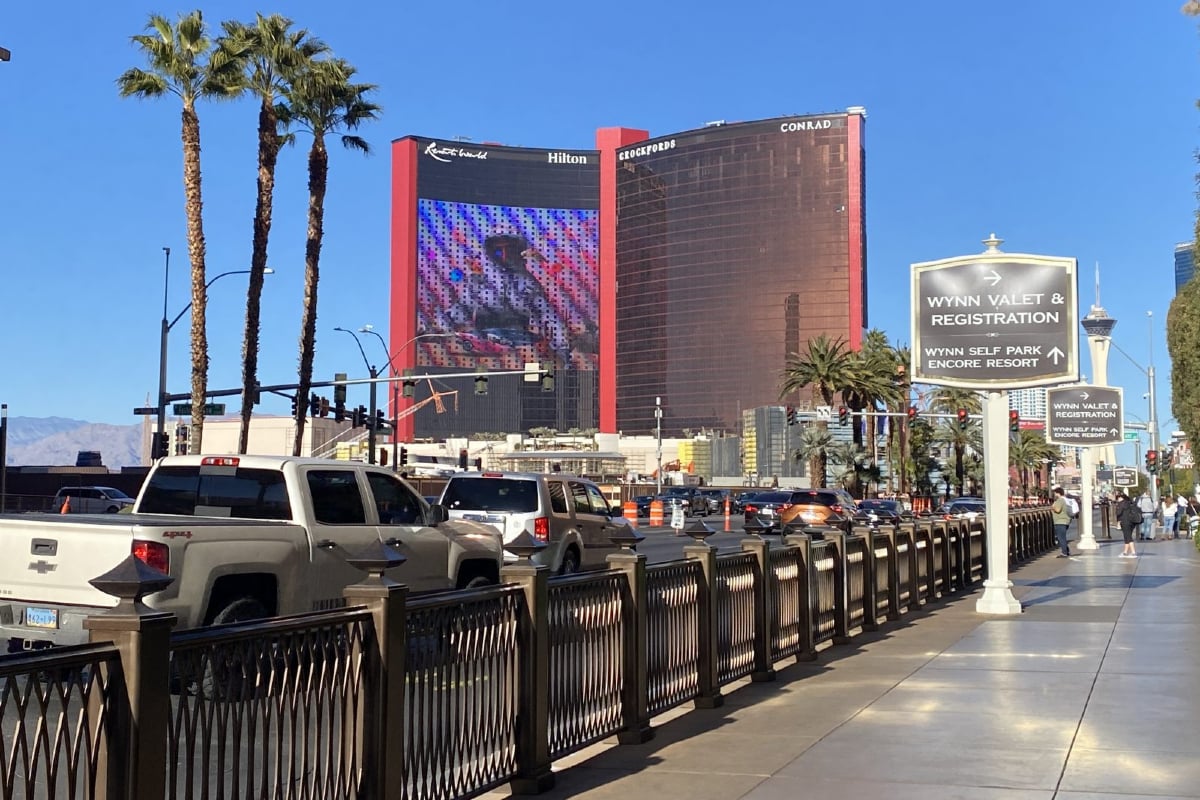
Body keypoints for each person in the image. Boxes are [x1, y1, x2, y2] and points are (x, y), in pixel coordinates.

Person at [1115, 491, 1138, 558]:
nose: (1117, 499)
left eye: (1118, 498)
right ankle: (1125, 552)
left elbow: (1118, 513)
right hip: (1132, 522)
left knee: (1128, 537)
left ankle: (1133, 552)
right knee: (1127, 536)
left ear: (1120, 498)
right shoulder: (1129, 502)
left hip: (1125, 522)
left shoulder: (1121, 504)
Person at [1050, 487, 1072, 557]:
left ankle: (1064, 552)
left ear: (1058, 493)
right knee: (1062, 537)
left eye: (1055, 493)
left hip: (1060, 521)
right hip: (1065, 521)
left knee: (1060, 538)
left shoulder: (1060, 500)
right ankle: (1066, 550)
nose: (1054, 494)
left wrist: (1053, 507)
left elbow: (1058, 510)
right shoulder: (1065, 500)